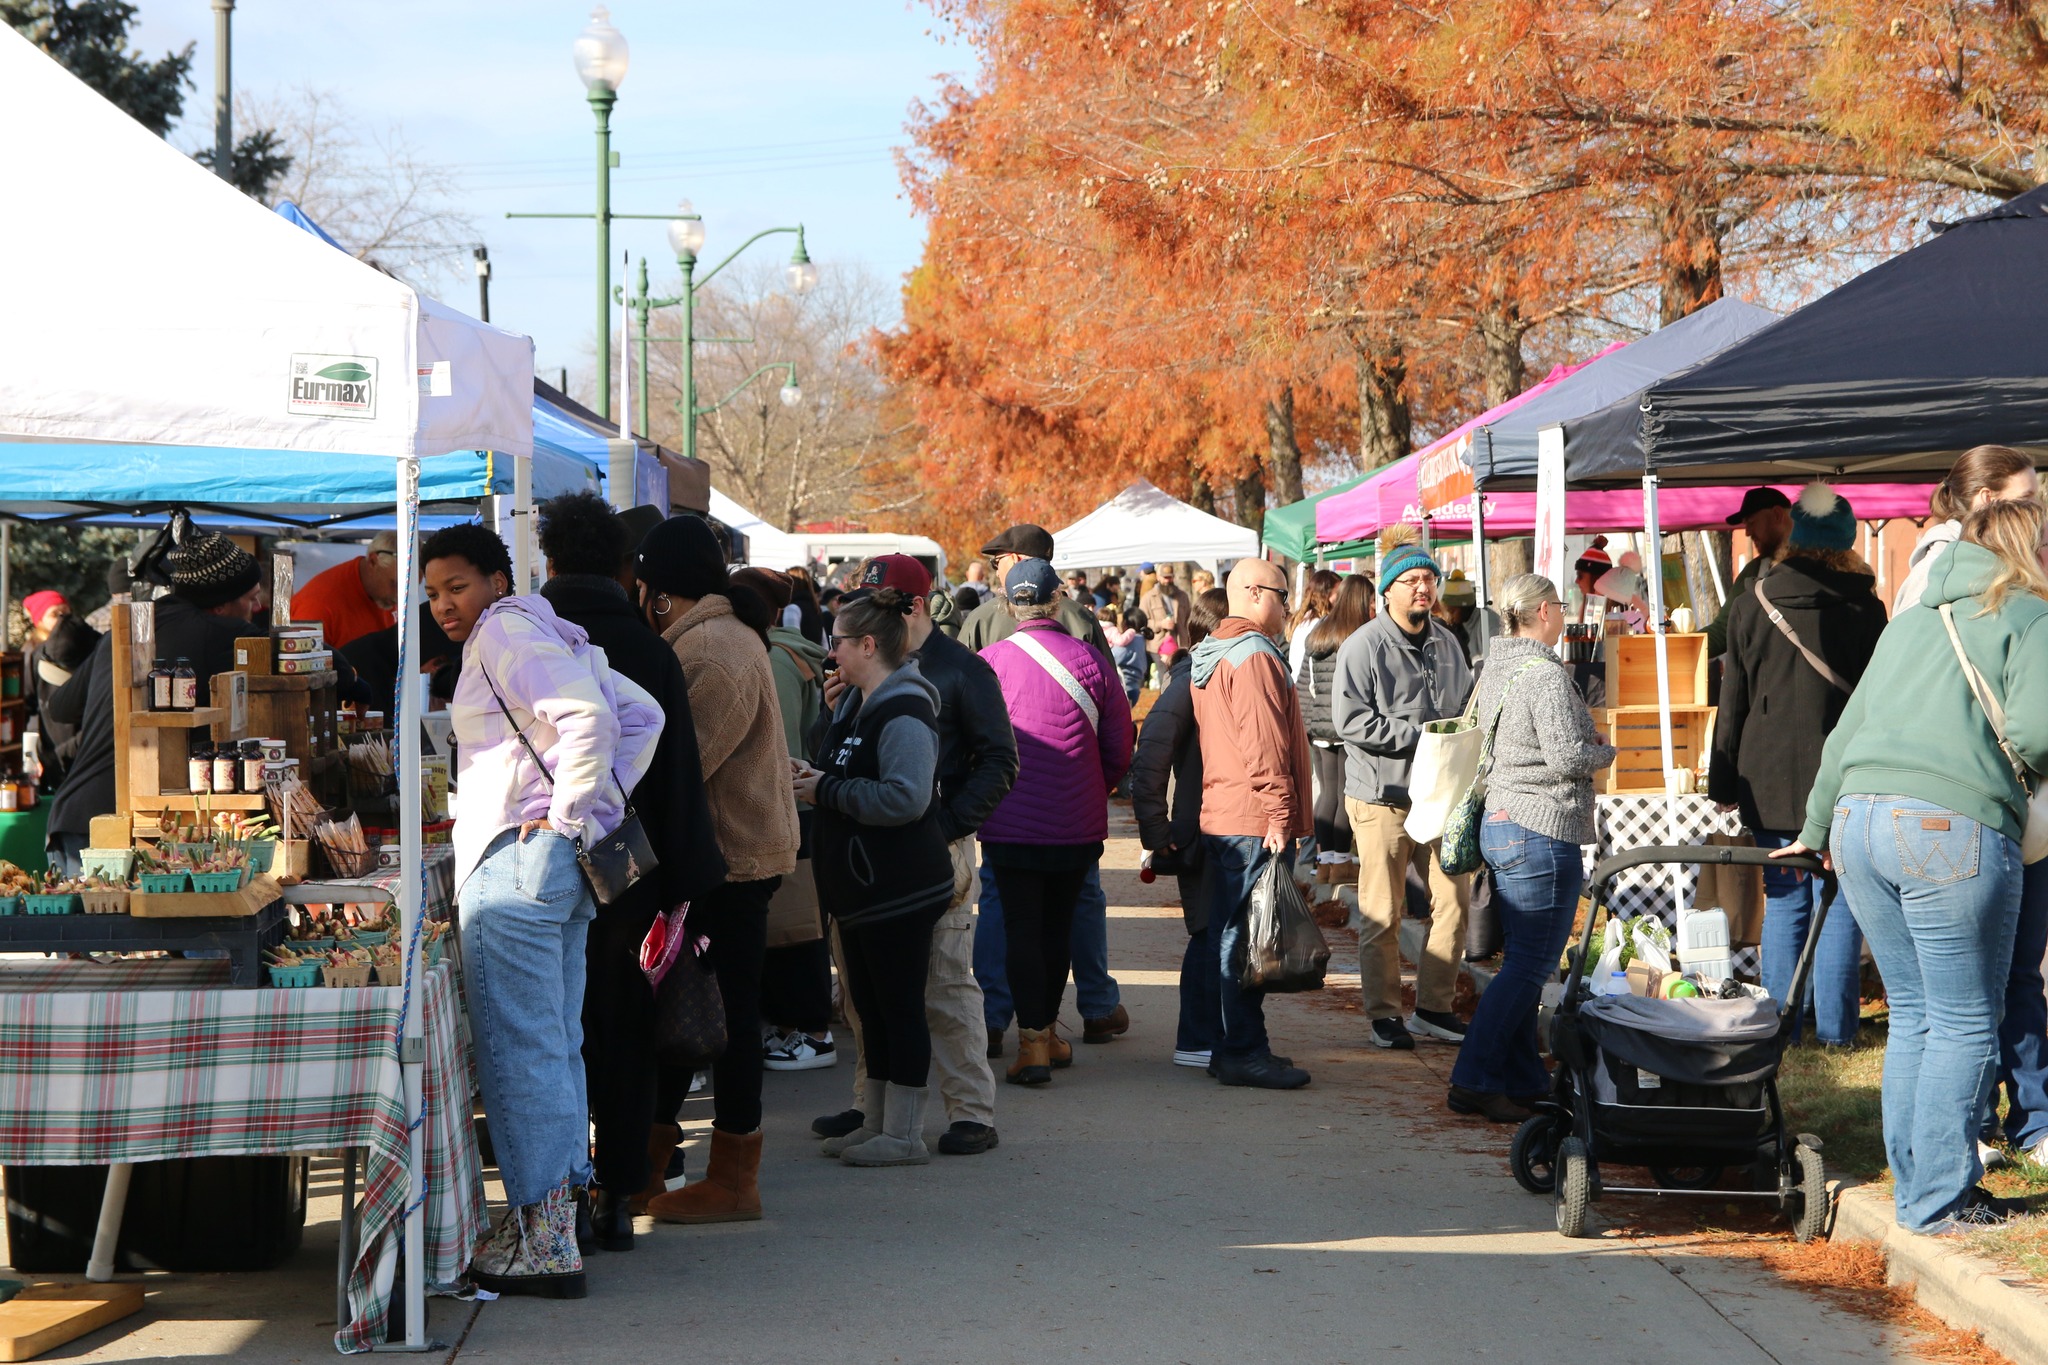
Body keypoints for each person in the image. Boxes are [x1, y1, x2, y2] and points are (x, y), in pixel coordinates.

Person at [1779, 498, 2048, 1235]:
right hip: (1949, 822)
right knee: (1965, 1021)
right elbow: (2036, 729)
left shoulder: (1912, 616)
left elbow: (1845, 735)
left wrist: (1812, 828)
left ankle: (1917, 1183)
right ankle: (1940, 1197)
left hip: (1858, 819)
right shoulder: (2029, 616)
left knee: (1916, 1017)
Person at [427, 523, 661, 1296]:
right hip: (549, 867)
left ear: (498, 577)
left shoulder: (506, 633)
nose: (444, 603)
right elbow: (641, 715)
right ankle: (556, 1219)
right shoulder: (547, 629)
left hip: (518, 864)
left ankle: (544, 1237)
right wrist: (581, 815)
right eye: (433, 592)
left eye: (457, 584)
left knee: (522, 1049)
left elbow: (596, 720)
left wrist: (565, 814)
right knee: (554, 1040)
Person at [534, 493, 726, 1252]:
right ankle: (619, 1192)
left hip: (542, 862)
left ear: (547, 564)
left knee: (554, 1034)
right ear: (623, 569)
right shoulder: (651, 650)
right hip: (637, 874)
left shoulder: (531, 643)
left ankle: (563, 1195)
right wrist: (689, 883)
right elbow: (679, 777)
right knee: (625, 1033)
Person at [810, 555, 1015, 1155]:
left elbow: (1000, 761)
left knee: (944, 983)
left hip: (934, 848)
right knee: (867, 985)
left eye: (884, 599)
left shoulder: (961, 670)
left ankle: (969, 1111)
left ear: (914, 605)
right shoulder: (866, 674)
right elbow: (848, 761)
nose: (865, 611)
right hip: (871, 855)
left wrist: (944, 825)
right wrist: (835, 712)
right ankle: (871, 1110)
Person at [635, 516, 801, 1224]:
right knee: (694, 1014)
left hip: (733, 863)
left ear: (661, 592)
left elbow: (680, 768)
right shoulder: (712, 639)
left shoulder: (713, 651)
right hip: (730, 859)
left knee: (722, 1022)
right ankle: (644, 1164)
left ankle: (734, 1177)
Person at [1884, 447, 2046, 1169]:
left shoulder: (1968, 578)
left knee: (1966, 997)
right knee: (1960, 1004)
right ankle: (1954, 1155)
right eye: (2026, 498)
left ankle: (1960, 1148)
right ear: (1984, 500)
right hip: (1974, 801)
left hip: (1971, 802)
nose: (2037, 513)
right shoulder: (1945, 577)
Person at [1708, 484, 1887, 1047]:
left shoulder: (1752, 602)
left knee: (1784, 895)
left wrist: (1723, 777)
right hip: (1844, 773)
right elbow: (1878, 699)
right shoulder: (1867, 608)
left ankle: (1779, 1027)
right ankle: (1836, 1031)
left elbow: (1732, 698)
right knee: (1836, 900)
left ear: (1796, 534)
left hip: (1766, 775)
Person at [795, 586, 957, 1165]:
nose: (830, 653)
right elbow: (844, 769)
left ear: (868, 644)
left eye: (837, 642)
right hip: (866, 891)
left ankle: (905, 1135)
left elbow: (906, 798)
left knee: (898, 1009)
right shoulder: (861, 702)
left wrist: (825, 788)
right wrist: (817, 767)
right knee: (873, 1009)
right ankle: (881, 1122)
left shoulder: (905, 707)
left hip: (898, 889)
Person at [1445, 575, 1614, 1123]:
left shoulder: (1495, 664)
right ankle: (1473, 1079)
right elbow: (1567, 757)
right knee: (1528, 967)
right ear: (1544, 611)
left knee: (1521, 963)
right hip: (1538, 825)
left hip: (1504, 822)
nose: (1564, 616)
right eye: (1561, 607)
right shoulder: (1542, 673)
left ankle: (1519, 1078)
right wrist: (1605, 751)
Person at [960, 525, 1127, 1051]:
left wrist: (976, 796)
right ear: (1055, 596)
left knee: (1006, 915)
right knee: (1070, 914)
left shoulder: (984, 637)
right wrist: (1094, 786)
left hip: (1006, 814)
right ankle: (1070, 1018)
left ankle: (994, 1017)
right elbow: (1119, 738)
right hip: (1074, 814)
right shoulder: (1088, 636)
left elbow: (963, 734)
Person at [45, 522, 259, 876]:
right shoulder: (220, 633)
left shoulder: (128, 627)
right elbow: (300, 650)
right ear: (221, 605)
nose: (258, 606)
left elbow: (61, 705)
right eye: (251, 598)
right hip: (118, 821)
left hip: (74, 814)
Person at [1333, 525, 1476, 1051]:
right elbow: (1349, 722)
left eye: (1428, 579)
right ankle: (1385, 1015)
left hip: (1442, 799)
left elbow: (1464, 708)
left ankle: (1435, 1008)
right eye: (1411, 580)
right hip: (1382, 800)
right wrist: (1420, 736)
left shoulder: (1448, 643)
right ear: (1386, 591)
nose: (1423, 587)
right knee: (1382, 913)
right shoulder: (1362, 647)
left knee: (1455, 904)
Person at [1191, 559, 1313, 1088]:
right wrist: (1280, 815)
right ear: (1257, 593)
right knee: (1245, 941)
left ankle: (1236, 1045)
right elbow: (1265, 747)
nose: (1289, 607)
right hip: (1253, 819)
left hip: (1230, 813)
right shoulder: (1254, 656)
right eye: (1285, 596)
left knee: (1234, 935)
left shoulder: (1215, 652)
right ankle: (1242, 1049)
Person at [741, 566, 839, 1074]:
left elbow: (772, 743)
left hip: (789, 804)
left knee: (795, 928)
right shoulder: (789, 651)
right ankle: (797, 1026)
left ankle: (811, 1031)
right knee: (793, 925)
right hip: (795, 802)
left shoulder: (776, 657)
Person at [1131, 587, 1227, 1069]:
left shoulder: (1213, 675)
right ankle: (1197, 1037)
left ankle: (1213, 1035)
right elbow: (1149, 753)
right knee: (1210, 932)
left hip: (1217, 825)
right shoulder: (1192, 680)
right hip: (1202, 828)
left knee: (1218, 932)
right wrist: (1156, 827)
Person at [1893, 446, 2040, 615]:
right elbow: (1907, 636)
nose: (2038, 507)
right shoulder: (1936, 569)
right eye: (2025, 498)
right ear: (1987, 499)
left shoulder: (2006, 558)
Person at [1298, 574, 1373, 892]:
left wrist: (1305, 724)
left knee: (1328, 791)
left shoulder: (1319, 631)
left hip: (1317, 724)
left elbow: (1304, 683)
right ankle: (1341, 860)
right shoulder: (1359, 635)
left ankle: (1325, 861)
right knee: (1343, 793)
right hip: (1346, 724)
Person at [23, 593, 99, 794]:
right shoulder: (34, 654)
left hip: (85, 753)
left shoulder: (92, 649)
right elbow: (26, 701)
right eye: (55, 614)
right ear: (39, 621)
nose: (62, 619)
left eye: (65, 612)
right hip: (53, 753)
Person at [1705, 489, 1793, 657]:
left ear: (1776, 514)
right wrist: (1676, 646)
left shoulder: (1822, 563)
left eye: (1752, 523)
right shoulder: (1755, 569)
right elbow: (1724, 630)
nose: (1747, 532)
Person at [290, 531, 400, 649]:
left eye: (410, 588)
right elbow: (302, 663)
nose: (400, 597)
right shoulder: (318, 607)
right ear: (373, 562)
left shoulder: (385, 593)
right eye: (395, 584)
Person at [1288, 569, 1341, 682]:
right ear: (1325, 595)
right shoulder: (1316, 625)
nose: (1342, 598)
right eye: (1338, 593)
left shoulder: (1305, 620)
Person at [1141, 562, 1194, 661]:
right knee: (1164, 676)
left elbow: (1189, 618)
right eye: (1165, 577)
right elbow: (1142, 623)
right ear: (1158, 577)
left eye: (1170, 577)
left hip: (1180, 645)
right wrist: (1161, 624)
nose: (1167, 581)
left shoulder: (1183, 596)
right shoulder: (1148, 598)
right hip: (1158, 646)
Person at [1101, 601, 1148, 704]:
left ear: (1125, 623)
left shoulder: (1129, 641)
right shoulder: (1141, 639)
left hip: (1125, 687)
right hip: (1135, 687)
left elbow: (1111, 658)